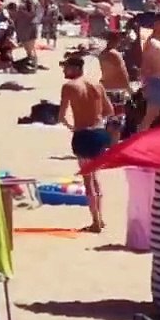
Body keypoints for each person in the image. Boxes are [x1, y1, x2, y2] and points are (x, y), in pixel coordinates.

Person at [58, 55, 114, 232]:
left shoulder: (69, 86)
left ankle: (95, 222)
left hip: (83, 134)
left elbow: (61, 116)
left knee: (88, 180)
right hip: (100, 133)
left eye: (66, 67)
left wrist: (72, 127)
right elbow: (109, 111)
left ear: (75, 68)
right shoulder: (97, 85)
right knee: (95, 177)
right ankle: (101, 217)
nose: (64, 70)